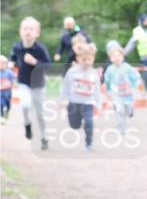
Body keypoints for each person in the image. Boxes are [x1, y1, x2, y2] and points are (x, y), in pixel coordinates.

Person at [9, 17, 51, 149]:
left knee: (40, 113)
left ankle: (44, 137)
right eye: (25, 29)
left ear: (37, 33)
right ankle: (27, 124)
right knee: (25, 104)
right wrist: (10, 63)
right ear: (20, 32)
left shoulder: (40, 49)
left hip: (38, 84)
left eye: (31, 29)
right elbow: (13, 58)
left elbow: (48, 66)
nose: (28, 32)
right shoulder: (17, 47)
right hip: (23, 82)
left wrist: (35, 62)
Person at [61, 42, 101, 152]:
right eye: (84, 60)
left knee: (89, 122)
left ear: (93, 59)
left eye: (89, 59)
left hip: (88, 103)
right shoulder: (72, 71)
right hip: (74, 103)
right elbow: (66, 87)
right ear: (78, 58)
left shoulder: (94, 73)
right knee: (74, 125)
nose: (87, 62)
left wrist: (98, 104)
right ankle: (80, 123)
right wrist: (63, 100)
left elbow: (97, 90)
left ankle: (89, 143)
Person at [104, 42, 143, 134]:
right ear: (110, 58)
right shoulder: (110, 69)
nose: (116, 58)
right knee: (119, 111)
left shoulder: (128, 68)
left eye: (118, 55)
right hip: (116, 95)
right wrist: (108, 92)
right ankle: (120, 127)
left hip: (127, 95)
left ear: (122, 57)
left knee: (127, 111)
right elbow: (107, 81)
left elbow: (136, 78)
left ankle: (130, 111)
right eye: (114, 56)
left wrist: (136, 86)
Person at [124, 13, 147, 98]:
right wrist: (123, 53)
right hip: (145, 57)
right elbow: (131, 44)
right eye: (146, 20)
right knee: (146, 75)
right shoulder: (137, 31)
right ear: (142, 21)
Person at [0, 55, 14, 123]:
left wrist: (11, 84)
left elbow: (13, 80)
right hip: (1, 92)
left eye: (3, 63)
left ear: (6, 64)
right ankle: (2, 116)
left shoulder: (9, 72)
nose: (1, 65)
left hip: (8, 92)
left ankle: (7, 112)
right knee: (1, 104)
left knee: (8, 104)